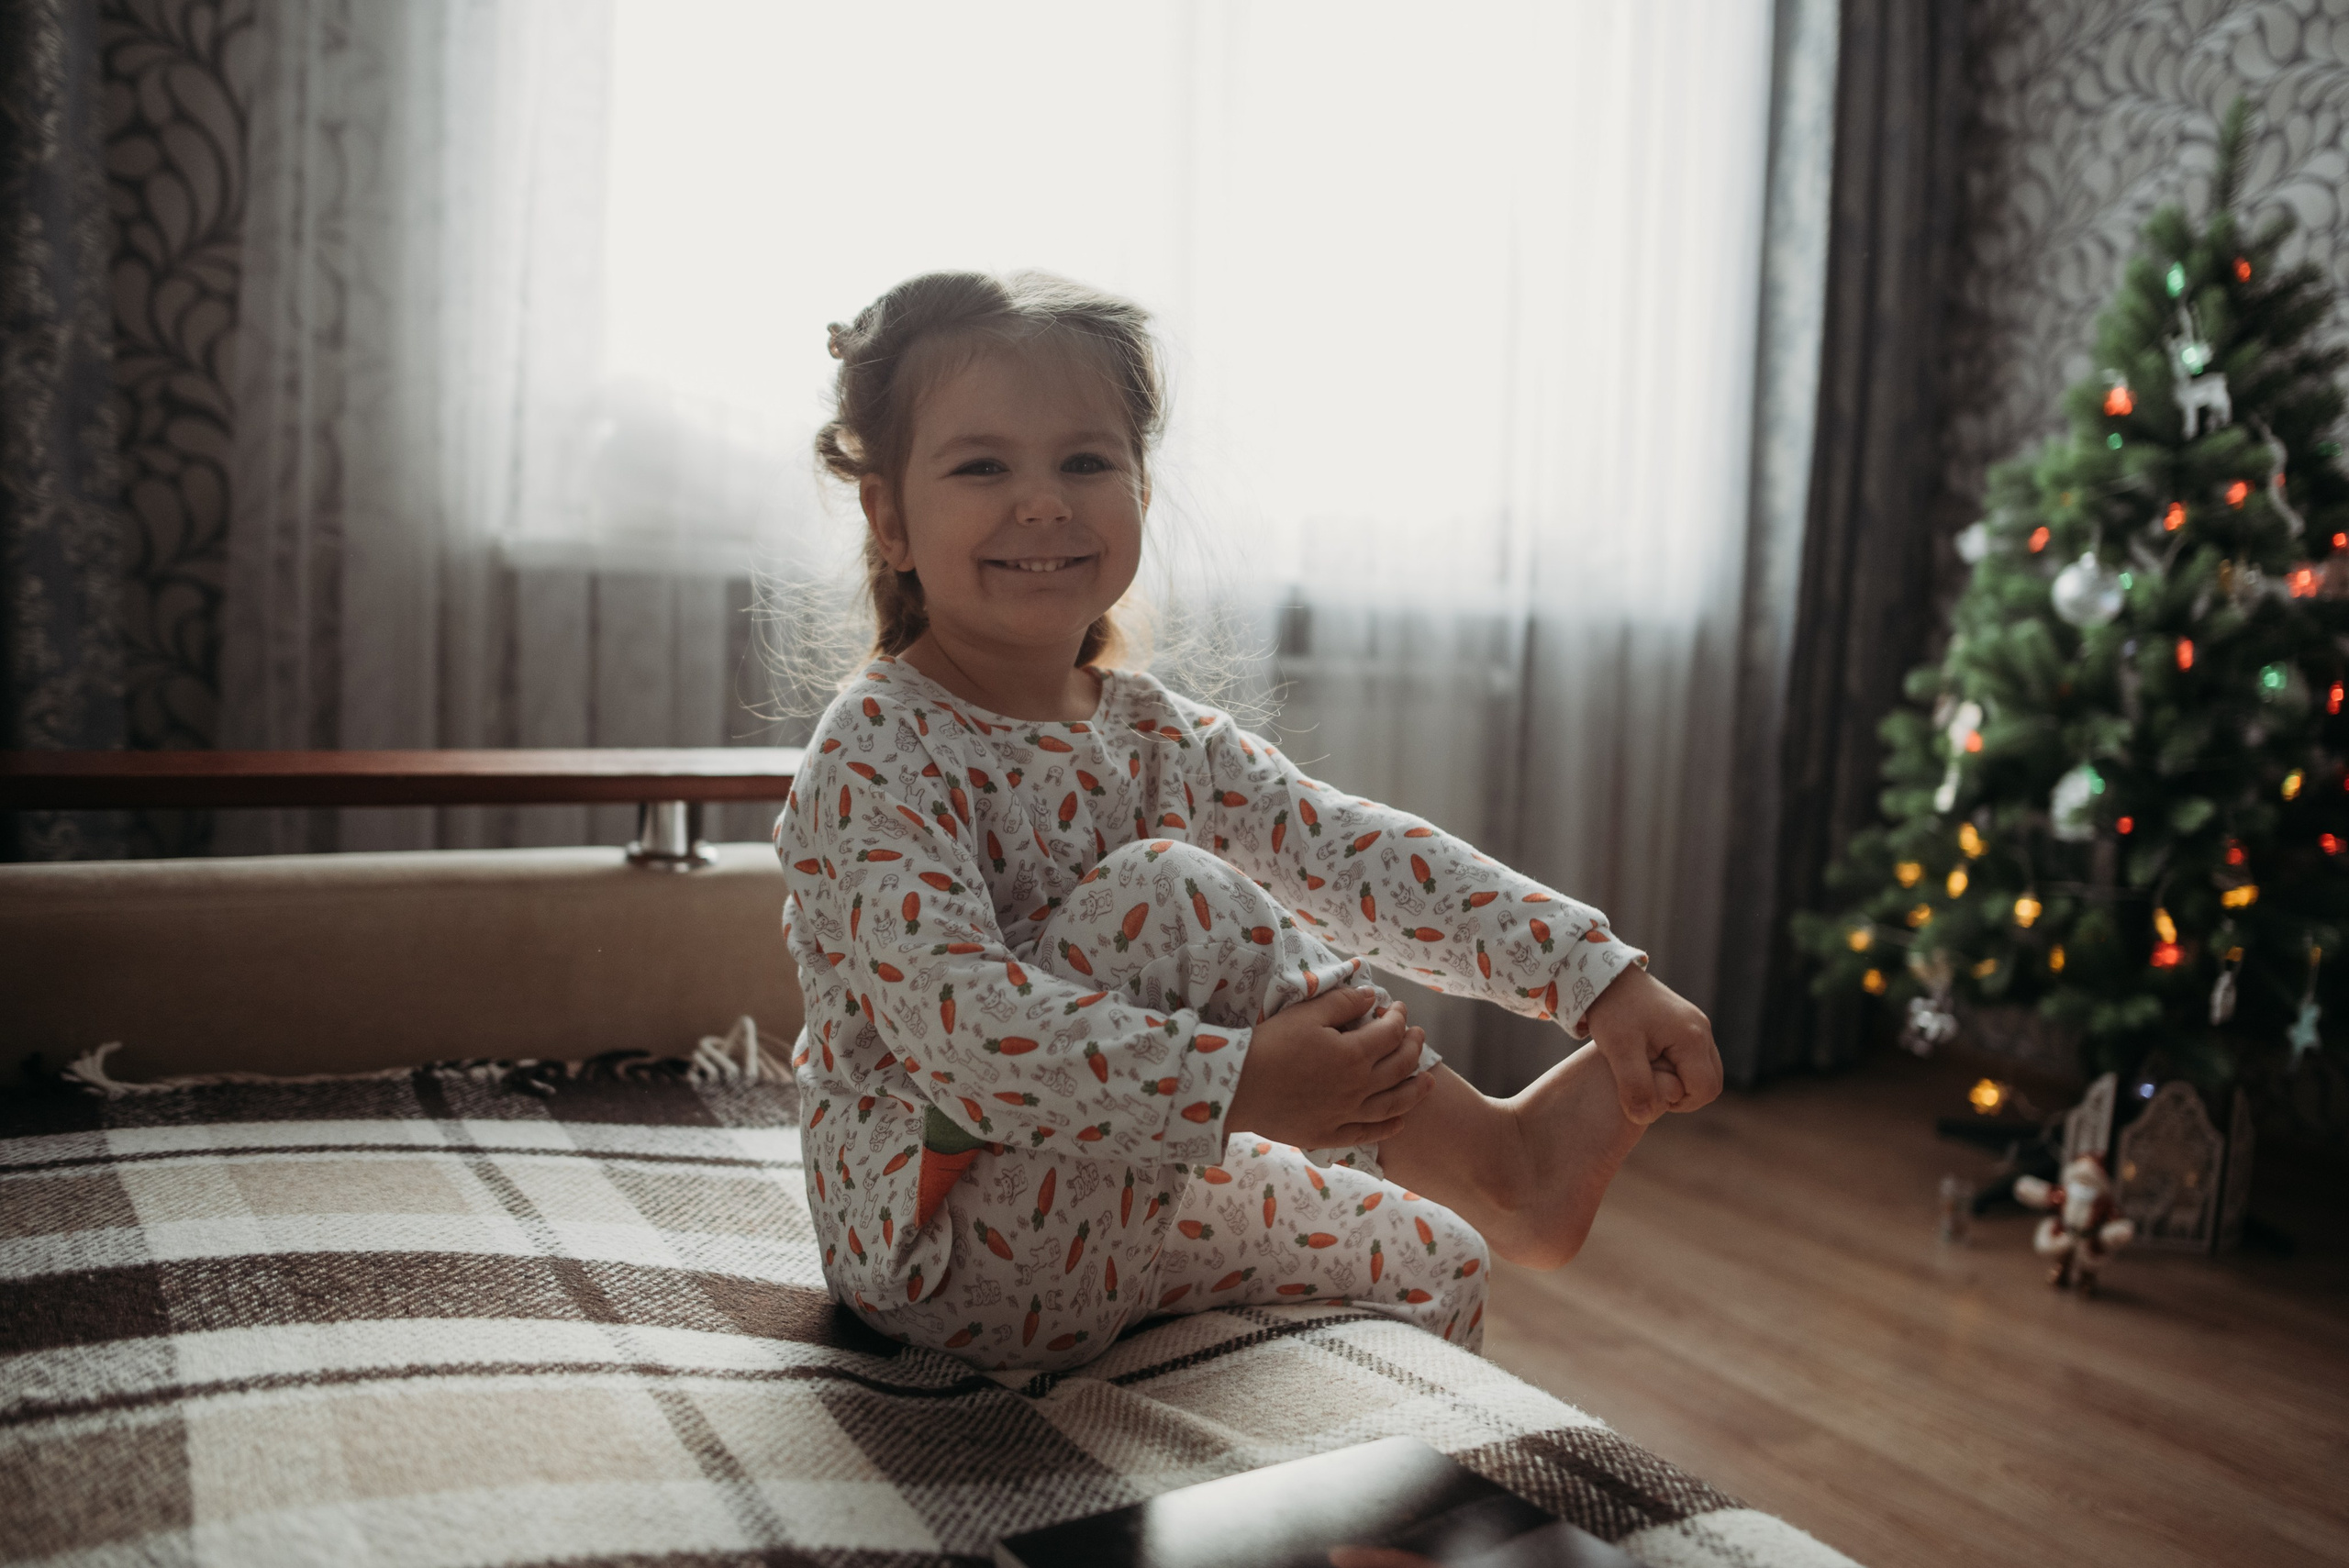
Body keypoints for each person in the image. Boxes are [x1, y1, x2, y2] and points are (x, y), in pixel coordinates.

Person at [777, 271, 1721, 1372]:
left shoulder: (1157, 734)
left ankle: (1402, 1481)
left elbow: (1352, 852)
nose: (1043, 500)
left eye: (1087, 461)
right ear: (889, 517)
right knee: (1164, 896)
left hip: (1118, 1192)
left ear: (1137, 488)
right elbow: (966, 1034)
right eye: (983, 465)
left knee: (1439, 1254)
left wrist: (1591, 973)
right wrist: (1242, 1084)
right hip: (948, 1252)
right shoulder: (877, 748)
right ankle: (1502, 1163)